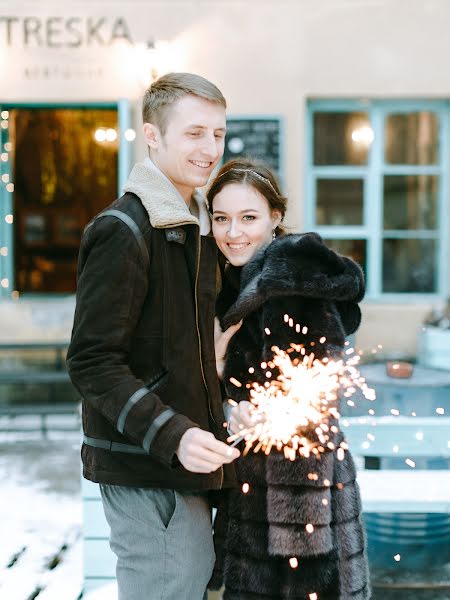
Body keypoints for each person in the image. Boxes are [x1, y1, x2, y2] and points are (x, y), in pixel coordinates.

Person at [66, 73, 240, 600]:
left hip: (190, 463)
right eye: (194, 134)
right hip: (147, 464)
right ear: (153, 135)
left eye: (218, 133)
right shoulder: (124, 230)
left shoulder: (193, 226)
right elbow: (92, 362)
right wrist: (174, 435)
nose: (210, 149)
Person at [208, 158, 370, 600]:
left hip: (299, 505)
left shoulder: (291, 284)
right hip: (254, 496)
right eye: (221, 218)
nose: (233, 232)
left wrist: (302, 541)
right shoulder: (232, 283)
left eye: (248, 218)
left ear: (275, 218)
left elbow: (319, 394)